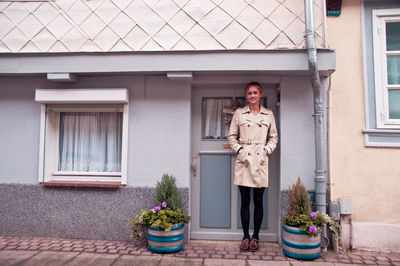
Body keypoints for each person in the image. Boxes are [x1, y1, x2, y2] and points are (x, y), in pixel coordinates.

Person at [228, 82, 278, 252]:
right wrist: (240, 151)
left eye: (255, 93)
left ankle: (256, 236)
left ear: (260, 94)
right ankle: (245, 237)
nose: (252, 96)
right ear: (246, 96)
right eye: (249, 93)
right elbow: (232, 137)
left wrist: (266, 150)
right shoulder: (239, 114)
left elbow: (274, 138)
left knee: (258, 200)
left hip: (260, 160)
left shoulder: (268, 114)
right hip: (244, 161)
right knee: (245, 200)